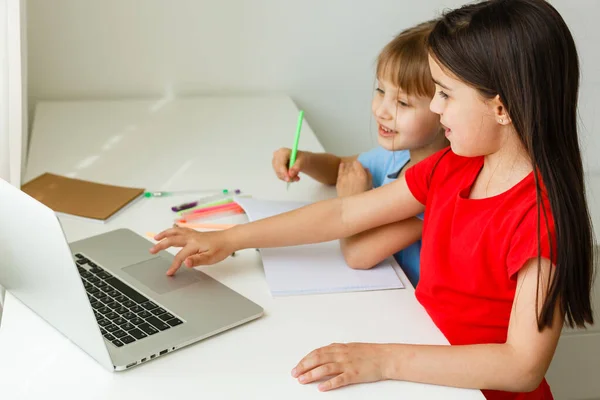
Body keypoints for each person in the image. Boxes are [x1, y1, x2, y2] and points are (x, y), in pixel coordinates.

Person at [150, 1, 595, 398]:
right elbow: (344, 212)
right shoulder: (453, 167)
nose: (435, 110)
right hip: (423, 366)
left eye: (445, 93)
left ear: (501, 108)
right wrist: (232, 238)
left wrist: (382, 359)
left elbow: (521, 366)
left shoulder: (538, 218)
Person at [271, 20, 447, 286]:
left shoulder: (438, 190)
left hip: (411, 313)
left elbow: (358, 254)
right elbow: (343, 168)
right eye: (380, 91)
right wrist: (305, 160)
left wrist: (352, 198)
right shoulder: (401, 155)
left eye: (401, 102)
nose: (381, 110)